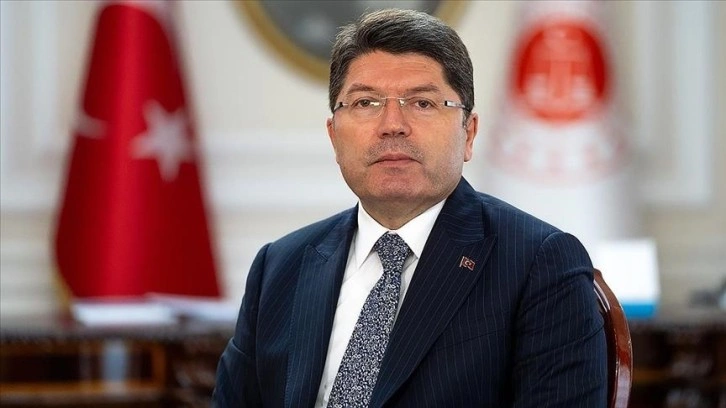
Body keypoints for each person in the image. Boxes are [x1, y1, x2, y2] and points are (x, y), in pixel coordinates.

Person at [213, 8, 606, 408]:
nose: (392, 124)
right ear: (334, 137)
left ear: (468, 133)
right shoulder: (280, 266)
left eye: (422, 103)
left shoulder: (538, 263)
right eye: (365, 102)